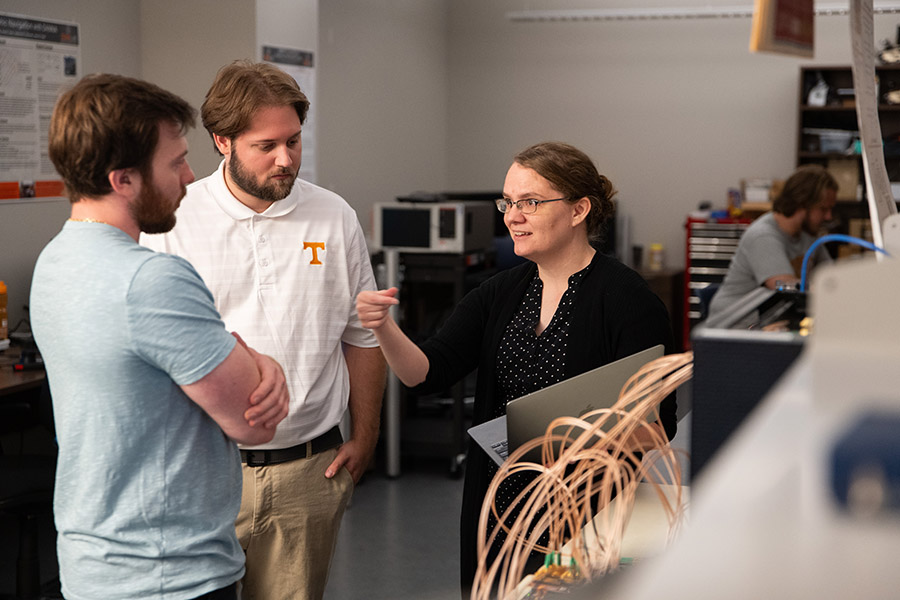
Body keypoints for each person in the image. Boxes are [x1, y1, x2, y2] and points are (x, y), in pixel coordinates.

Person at [357, 141, 678, 595]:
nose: (512, 216)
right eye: (508, 202)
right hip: (501, 511)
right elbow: (425, 374)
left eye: (530, 202)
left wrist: (571, 438)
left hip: (584, 516)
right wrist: (384, 329)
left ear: (578, 209)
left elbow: (657, 427)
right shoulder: (500, 292)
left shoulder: (629, 302)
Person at [30, 74, 290, 600]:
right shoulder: (152, 279)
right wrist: (265, 361)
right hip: (171, 574)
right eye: (174, 164)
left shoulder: (54, 261)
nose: (190, 177)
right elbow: (254, 423)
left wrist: (235, 353)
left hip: (92, 567)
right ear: (122, 179)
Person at [141, 60, 385, 600]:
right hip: (202, 472)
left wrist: (365, 436)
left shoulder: (333, 216)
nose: (285, 159)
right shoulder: (173, 221)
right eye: (266, 145)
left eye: (294, 142)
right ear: (222, 141)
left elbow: (362, 336)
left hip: (308, 473)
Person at [707, 165, 838, 321]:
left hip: (768, 322)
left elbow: (834, 276)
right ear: (803, 204)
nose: (829, 217)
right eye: (823, 209)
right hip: (733, 326)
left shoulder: (808, 235)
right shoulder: (763, 236)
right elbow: (785, 287)